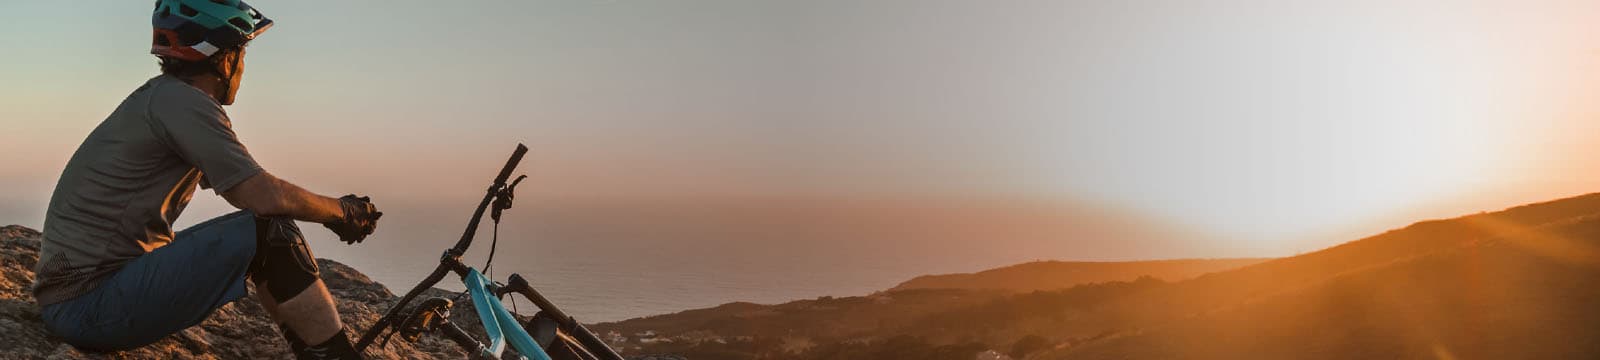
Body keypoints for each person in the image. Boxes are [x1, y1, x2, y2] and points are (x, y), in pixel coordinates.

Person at [32, 1, 381, 359]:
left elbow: (247, 188)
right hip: (89, 305)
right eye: (241, 53)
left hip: (80, 297)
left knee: (261, 231)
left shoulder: (164, 98)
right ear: (223, 58)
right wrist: (342, 212)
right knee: (270, 233)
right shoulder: (185, 104)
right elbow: (262, 194)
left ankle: (314, 350)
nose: (243, 67)